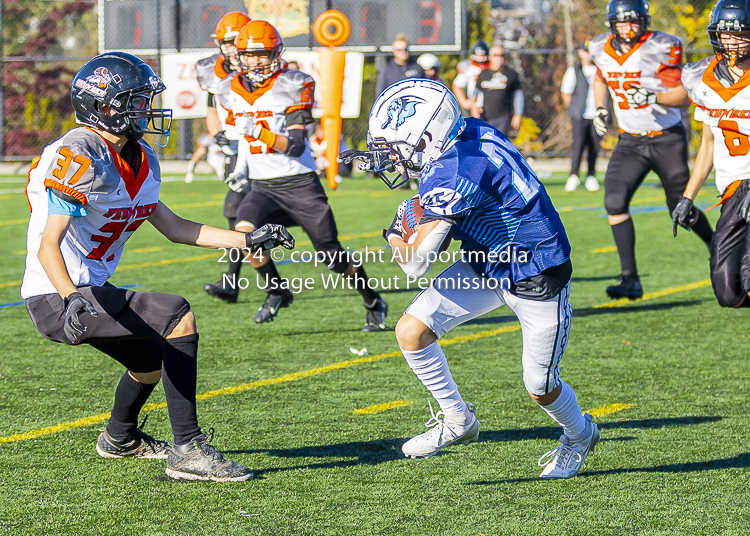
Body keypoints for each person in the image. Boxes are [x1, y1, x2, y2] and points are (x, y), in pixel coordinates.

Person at [22, 52, 294, 482]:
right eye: (136, 100)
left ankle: (120, 437)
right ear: (103, 106)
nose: (146, 109)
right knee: (176, 315)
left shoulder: (139, 155)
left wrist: (248, 239)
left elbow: (173, 226)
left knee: (150, 362)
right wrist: (70, 296)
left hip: (88, 290)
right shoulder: (79, 153)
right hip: (59, 297)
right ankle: (188, 450)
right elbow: (47, 246)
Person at [341, 78, 599, 479]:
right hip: (487, 260)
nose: (390, 158)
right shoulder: (469, 130)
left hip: (534, 272)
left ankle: (579, 435)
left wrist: (395, 230)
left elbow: (415, 264)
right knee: (412, 331)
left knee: (540, 385)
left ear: (429, 135)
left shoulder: (455, 169)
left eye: (396, 148)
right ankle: (458, 420)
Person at [226, 21, 388, 330]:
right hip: (263, 188)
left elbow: (295, 145)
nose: (256, 61)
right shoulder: (231, 89)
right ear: (240, 56)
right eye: (250, 55)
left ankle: (372, 300)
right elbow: (245, 139)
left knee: (332, 258)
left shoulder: (293, 83)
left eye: (263, 55)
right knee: (245, 235)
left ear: (277, 54)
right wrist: (240, 168)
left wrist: (258, 132)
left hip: (300, 185)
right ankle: (276, 290)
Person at [589, 0, 714, 300]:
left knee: (680, 208)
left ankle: (717, 248)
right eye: (622, 22)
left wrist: (652, 95)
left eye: (634, 21)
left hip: (666, 138)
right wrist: (598, 109)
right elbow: (600, 77)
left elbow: (683, 95)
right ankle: (629, 278)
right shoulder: (599, 47)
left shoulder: (661, 45)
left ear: (644, 21)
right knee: (614, 201)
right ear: (611, 24)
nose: (629, 27)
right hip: (630, 140)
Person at [676, 0, 750, 308]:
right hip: (731, 189)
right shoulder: (701, 78)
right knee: (728, 292)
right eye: (726, 33)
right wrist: (687, 197)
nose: (732, 41)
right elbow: (708, 143)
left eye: (740, 33)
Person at [195, 11, 251, 303]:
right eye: (224, 42)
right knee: (237, 214)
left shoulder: (257, 69)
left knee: (242, 214)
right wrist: (216, 133)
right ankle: (234, 283)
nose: (228, 47)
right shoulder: (216, 71)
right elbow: (212, 108)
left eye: (233, 41)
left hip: (258, 148)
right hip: (234, 149)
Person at [560, 43, 601, 192]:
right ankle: (574, 175)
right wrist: (573, 108)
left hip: (596, 115)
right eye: (585, 51)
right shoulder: (574, 70)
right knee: (578, 144)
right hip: (579, 114)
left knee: (594, 145)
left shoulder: (600, 69)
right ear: (580, 53)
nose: (588, 54)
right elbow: (566, 91)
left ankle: (591, 175)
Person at [472, 45, 524, 136]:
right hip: (485, 117)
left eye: (502, 55)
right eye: (496, 55)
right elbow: (475, 94)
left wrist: (518, 114)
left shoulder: (511, 75)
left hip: (503, 117)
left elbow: (518, 95)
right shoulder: (483, 74)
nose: (499, 58)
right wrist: (474, 107)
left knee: (498, 143)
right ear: (490, 57)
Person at [453, 41, 490, 113]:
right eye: (478, 55)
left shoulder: (491, 68)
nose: (480, 58)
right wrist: (464, 102)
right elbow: (457, 85)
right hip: (474, 106)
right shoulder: (469, 68)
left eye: (482, 56)